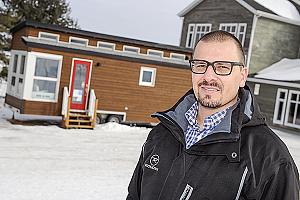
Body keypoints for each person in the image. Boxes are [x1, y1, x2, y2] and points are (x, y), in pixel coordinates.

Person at [126, 30, 299, 200]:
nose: (208, 76)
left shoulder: (271, 159)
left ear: (242, 76)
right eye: (201, 65)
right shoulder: (161, 133)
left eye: (222, 67)